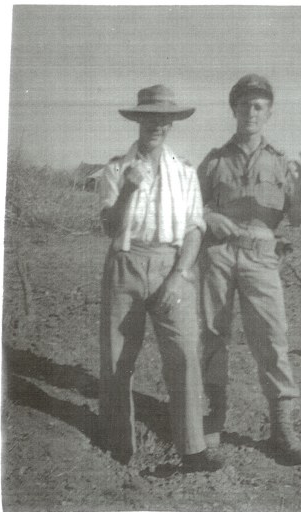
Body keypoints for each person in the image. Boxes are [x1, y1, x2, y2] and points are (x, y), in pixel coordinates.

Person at [98, 84, 222, 472]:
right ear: (138, 121)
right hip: (126, 263)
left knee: (185, 354)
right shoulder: (116, 169)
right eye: (149, 117)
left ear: (171, 124)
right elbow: (109, 225)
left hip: (173, 266)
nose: (156, 125)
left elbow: (195, 228)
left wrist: (179, 274)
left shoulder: (185, 171)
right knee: (118, 356)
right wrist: (128, 191)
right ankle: (118, 444)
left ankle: (193, 449)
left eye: (163, 119)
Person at [197, 74, 301, 465]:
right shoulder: (214, 160)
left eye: (259, 105)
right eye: (244, 104)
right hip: (218, 255)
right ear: (234, 109)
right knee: (213, 332)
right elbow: (191, 208)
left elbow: (295, 220)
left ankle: (282, 427)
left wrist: (300, 192)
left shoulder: (281, 162)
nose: (251, 111)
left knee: (271, 336)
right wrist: (209, 217)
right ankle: (213, 413)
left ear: (269, 112)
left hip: (262, 257)